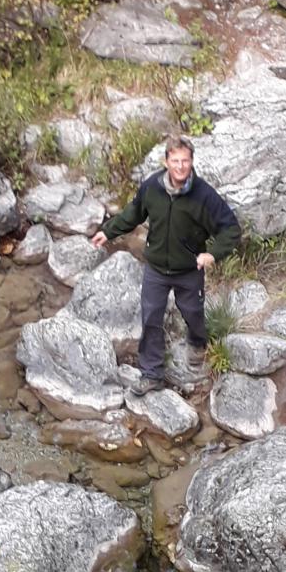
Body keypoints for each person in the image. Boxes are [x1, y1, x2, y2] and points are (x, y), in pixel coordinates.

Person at [92, 135, 241, 394]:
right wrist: (108, 232)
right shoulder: (152, 187)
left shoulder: (204, 195)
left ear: (192, 162)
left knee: (193, 313)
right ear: (166, 161)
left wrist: (212, 254)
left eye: (185, 161)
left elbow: (230, 228)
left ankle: (197, 343)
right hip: (156, 269)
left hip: (188, 270)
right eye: (175, 161)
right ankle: (152, 373)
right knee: (150, 318)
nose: (181, 166)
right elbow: (133, 213)